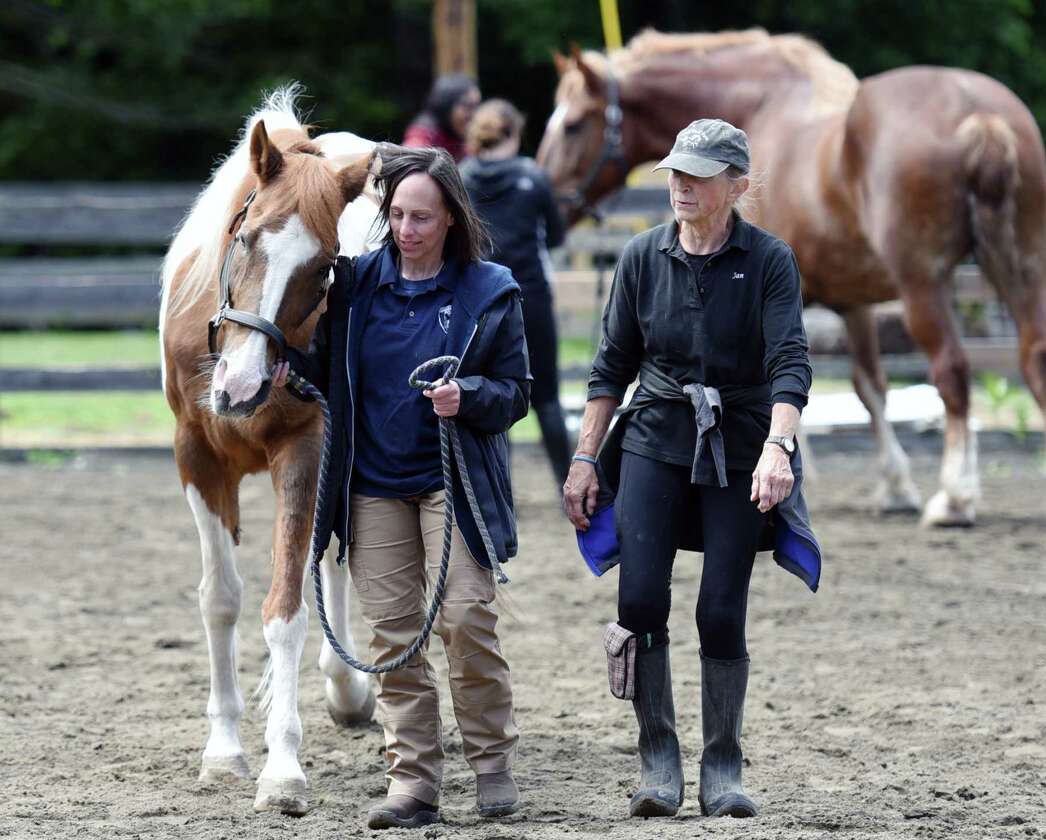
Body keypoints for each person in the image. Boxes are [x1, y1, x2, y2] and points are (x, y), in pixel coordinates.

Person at [561, 119, 821, 819]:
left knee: (719, 610)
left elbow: (790, 363)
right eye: (675, 172)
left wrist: (778, 448)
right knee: (639, 600)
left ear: (736, 186)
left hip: (739, 445)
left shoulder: (768, 261)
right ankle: (658, 757)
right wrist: (586, 458)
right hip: (654, 437)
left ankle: (723, 764)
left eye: (697, 175)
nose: (680, 186)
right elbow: (610, 367)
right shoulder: (643, 256)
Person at [278, 144, 529, 829]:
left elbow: (517, 394)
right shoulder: (355, 288)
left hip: (455, 483)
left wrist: (469, 395)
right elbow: (322, 370)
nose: (408, 227)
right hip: (374, 485)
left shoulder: (490, 290)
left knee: (467, 618)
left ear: (451, 218)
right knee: (394, 637)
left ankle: (491, 764)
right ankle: (413, 780)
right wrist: (291, 378)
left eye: (423, 216)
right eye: (398, 214)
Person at [460, 99, 570, 485]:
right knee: (548, 397)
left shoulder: (461, 177)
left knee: (492, 392)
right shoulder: (533, 177)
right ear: (512, 134)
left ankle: (498, 484)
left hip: (481, 299)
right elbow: (555, 236)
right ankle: (567, 482)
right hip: (531, 297)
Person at [402, 74, 481, 162]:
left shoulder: (464, 138)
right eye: (468, 106)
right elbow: (410, 159)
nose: (474, 114)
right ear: (447, 105)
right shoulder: (424, 132)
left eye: (477, 106)